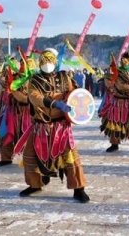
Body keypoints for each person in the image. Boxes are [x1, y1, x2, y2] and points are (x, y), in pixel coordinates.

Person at [16, 48, 89, 203]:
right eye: (44, 61)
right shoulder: (35, 80)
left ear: (55, 62)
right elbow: (35, 97)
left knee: (71, 157)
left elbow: (74, 94)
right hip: (40, 125)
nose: (47, 64)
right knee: (30, 155)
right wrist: (54, 103)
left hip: (61, 126)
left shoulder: (64, 77)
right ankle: (35, 185)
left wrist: (75, 102)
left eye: (50, 61)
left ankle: (79, 188)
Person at [100, 51, 129, 153]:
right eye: (123, 59)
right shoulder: (116, 72)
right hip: (118, 102)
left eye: (127, 59)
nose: (125, 62)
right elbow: (119, 85)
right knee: (115, 123)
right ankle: (114, 144)